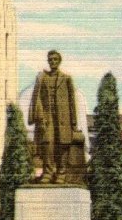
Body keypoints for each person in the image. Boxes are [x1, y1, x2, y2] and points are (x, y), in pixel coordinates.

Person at [29, 50, 84, 184]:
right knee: (47, 144)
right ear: (48, 62)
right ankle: (47, 172)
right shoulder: (43, 78)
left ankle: (61, 172)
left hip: (63, 119)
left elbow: (72, 101)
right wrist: (40, 116)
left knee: (62, 145)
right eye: (50, 60)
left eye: (55, 59)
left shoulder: (66, 79)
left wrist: (74, 122)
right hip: (48, 119)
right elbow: (38, 100)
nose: (53, 62)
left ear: (59, 61)